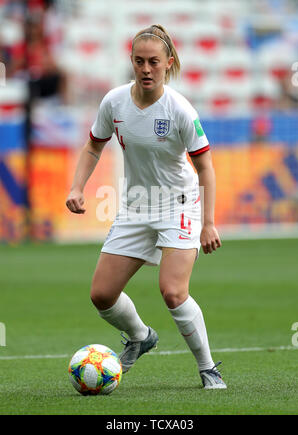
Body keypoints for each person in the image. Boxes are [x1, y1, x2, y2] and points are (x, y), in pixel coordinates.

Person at [66, 24, 226, 390]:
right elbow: (93, 146)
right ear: (132, 62)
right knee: (101, 295)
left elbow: (205, 167)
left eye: (154, 61)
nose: (146, 68)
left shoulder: (180, 110)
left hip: (179, 204)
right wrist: (77, 186)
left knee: (172, 291)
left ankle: (208, 368)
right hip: (137, 207)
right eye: (139, 61)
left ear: (168, 63)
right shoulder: (114, 102)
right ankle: (140, 336)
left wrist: (209, 223)